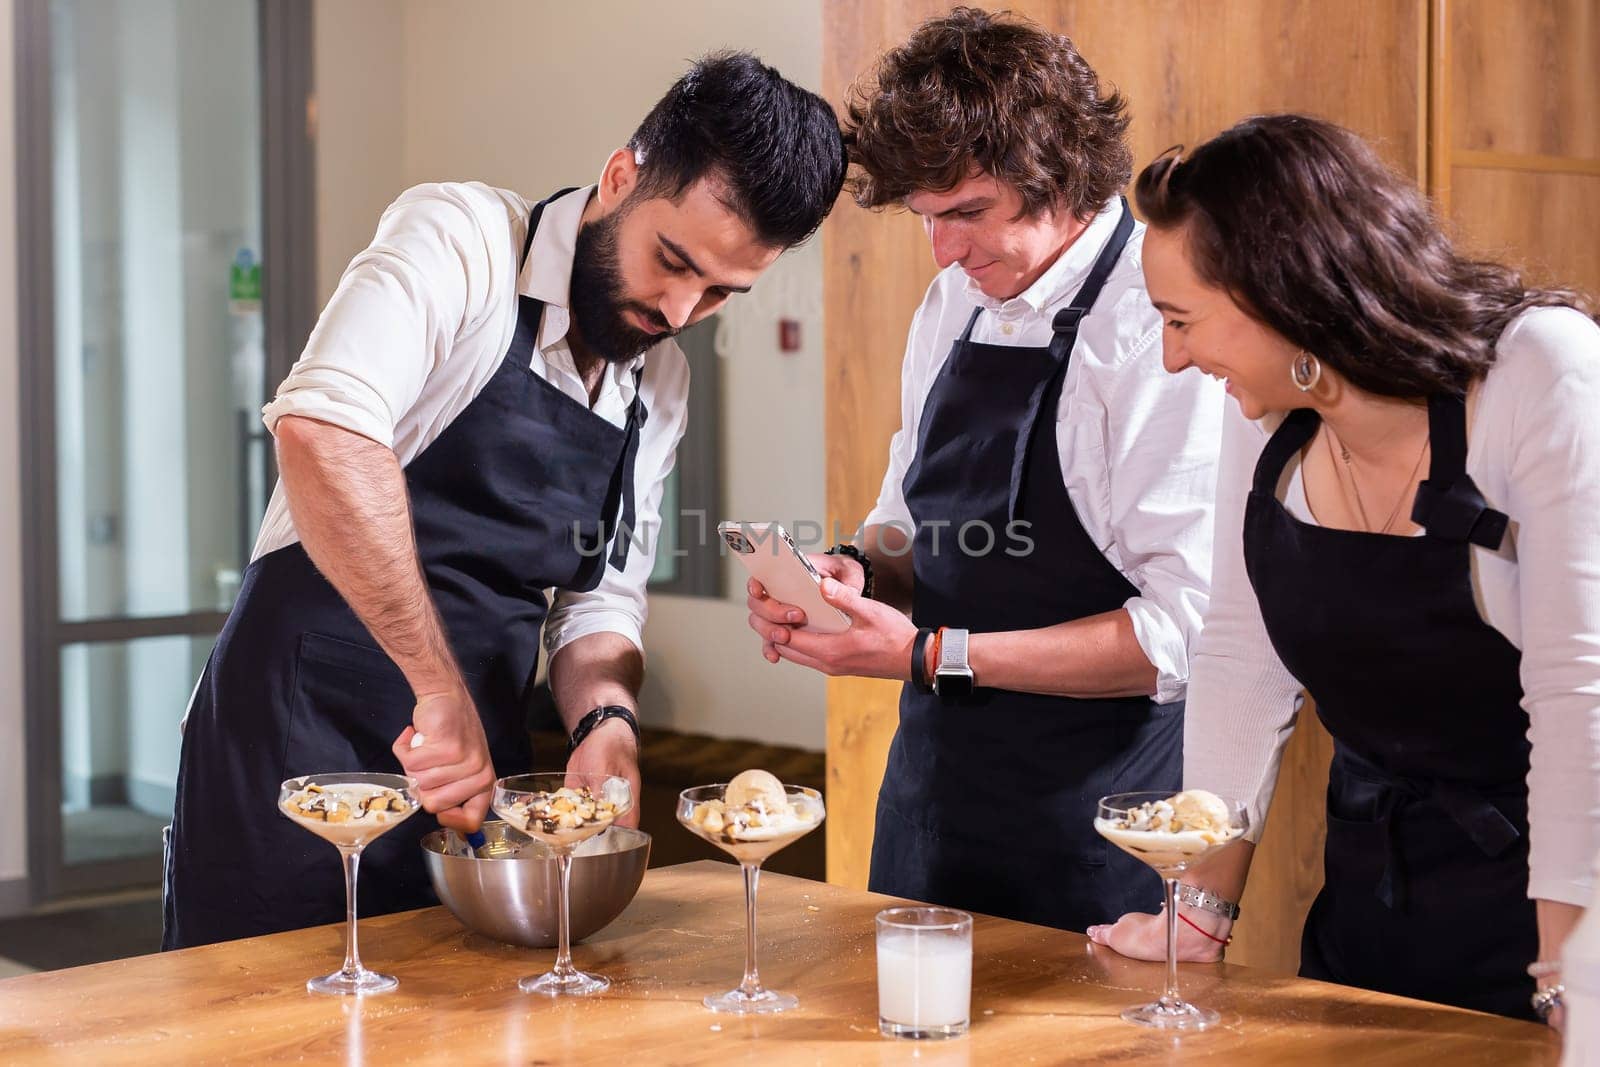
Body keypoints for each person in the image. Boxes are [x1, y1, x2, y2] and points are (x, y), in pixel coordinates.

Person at [163, 52, 846, 949]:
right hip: (294, 753)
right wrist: (437, 688)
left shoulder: (660, 386)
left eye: (721, 291)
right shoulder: (462, 241)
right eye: (672, 261)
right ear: (620, 176)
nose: (681, 310)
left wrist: (606, 721)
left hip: (477, 777)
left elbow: (599, 598)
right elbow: (324, 431)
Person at [1088, 114, 1600, 1027]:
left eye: (1181, 320)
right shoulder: (1266, 418)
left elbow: (1578, 693)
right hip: (1373, 900)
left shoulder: (1539, 371)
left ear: (1279, 291)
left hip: (1556, 900)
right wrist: (1197, 912)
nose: (1172, 356)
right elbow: (1243, 656)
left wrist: (1568, 975)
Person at [745, 7, 1222, 932]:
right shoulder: (951, 304)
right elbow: (909, 523)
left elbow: (1181, 635)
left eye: (968, 213)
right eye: (928, 218)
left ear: (1060, 174)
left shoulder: (1151, 325)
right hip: (932, 809)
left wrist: (927, 652)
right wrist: (853, 573)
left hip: (1098, 834)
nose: (945, 250)